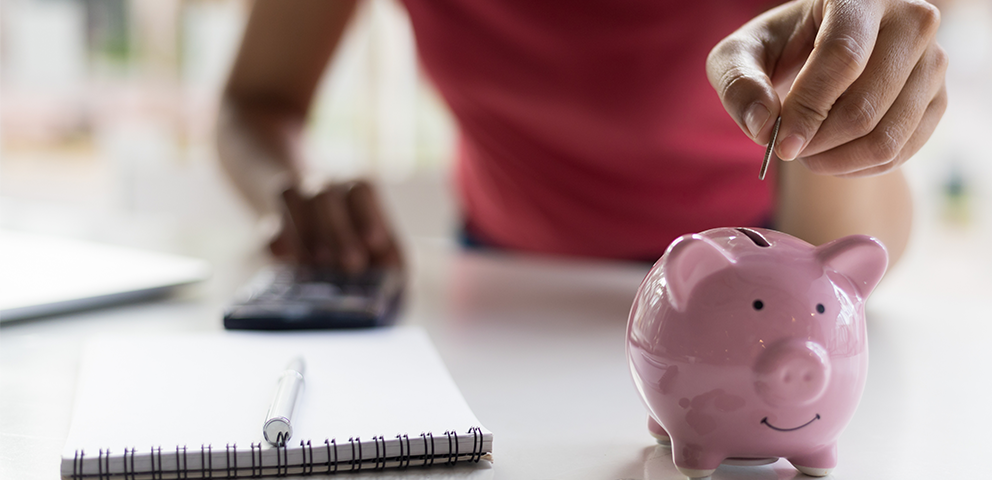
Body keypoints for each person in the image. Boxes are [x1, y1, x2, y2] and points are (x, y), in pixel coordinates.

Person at [217, 0, 947, 272]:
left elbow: (860, 247)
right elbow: (254, 103)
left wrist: (842, 98)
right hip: (504, 284)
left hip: (762, 274)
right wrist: (292, 188)